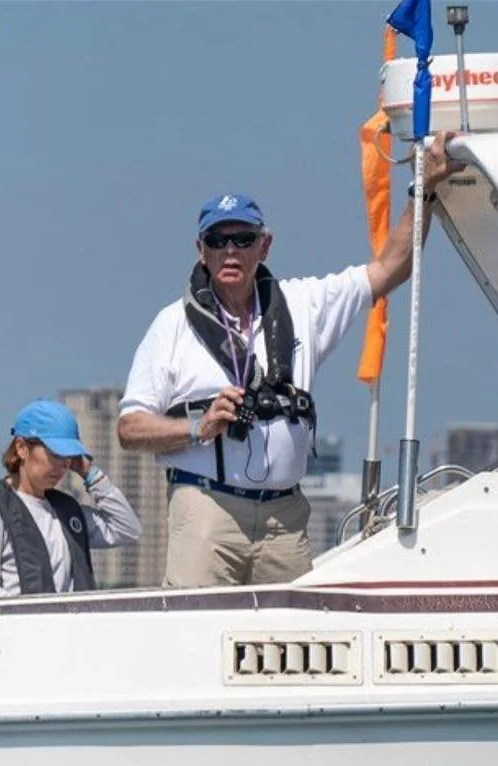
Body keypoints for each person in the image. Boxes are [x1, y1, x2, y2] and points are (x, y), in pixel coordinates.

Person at [117, 133, 462, 588]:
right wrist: (197, 426)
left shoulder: (303, 304)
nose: (231, 251)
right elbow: (129, 428)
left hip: (285, 517)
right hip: (207, 511)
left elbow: (391, 269)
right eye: (217, 241)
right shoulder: (171, 324)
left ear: (265, 245)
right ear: (201, 251)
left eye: (243, 239)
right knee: (198, 633)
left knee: (290, 645)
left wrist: (424, 189)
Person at [0, 399, 141, 596]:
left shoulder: (67, 511)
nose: (62, 466)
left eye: (68, 457)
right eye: (55, 454)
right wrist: (23, 613)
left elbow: (126, 528)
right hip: (18, 624)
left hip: (68, 624)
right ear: (22, 448)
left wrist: (90, 474)